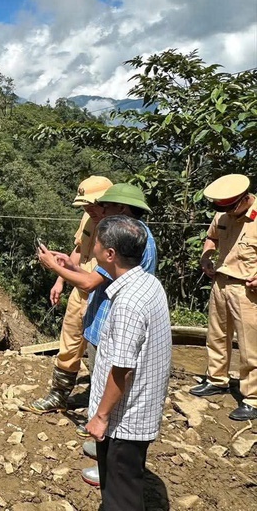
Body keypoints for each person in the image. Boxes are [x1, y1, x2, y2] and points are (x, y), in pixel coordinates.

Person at [37, 183, 157, 488]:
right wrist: (69, 265)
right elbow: (91, 270)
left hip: (113, 319)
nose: (100, 210)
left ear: (122, 209)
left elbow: (93, 281)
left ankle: (111, 465)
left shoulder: (128, 241)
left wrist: (55, 269)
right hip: (101, 313)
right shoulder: (124, 234)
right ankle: (104, 452)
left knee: (113, 389)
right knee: (102, 377)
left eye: (107, 206)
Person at [85, 215, 172, 511]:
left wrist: (101, 416)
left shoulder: (128, 303)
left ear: (110, 254)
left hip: (124, 420)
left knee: (120, 497)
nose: (93, 246)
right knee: (125, 485)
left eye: (97, 242)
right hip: (140, 410)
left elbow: (122, 369)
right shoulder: (149, 283)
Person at [21, 175, 112, 414]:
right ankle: (58, 395)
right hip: (79, 291)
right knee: (69, 345)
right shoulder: (88, 218)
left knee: (100, 354)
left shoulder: (118, 228)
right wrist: (60, 280)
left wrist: (55, 267)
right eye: (85, 205)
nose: (89, 210)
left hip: (102, 297)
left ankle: (100, 409)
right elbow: (79, 250)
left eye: (94, 205)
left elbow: (96, 280)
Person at [189, 174, 257, 421]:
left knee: (250, 345)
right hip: (220, 282)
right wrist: (206, 256)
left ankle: (253, 398)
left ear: (244, 199)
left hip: (248, 290)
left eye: (230, 207)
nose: (226, 212)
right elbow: (212, 238)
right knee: (217, 335)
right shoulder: (222, 216)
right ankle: (217, 380)